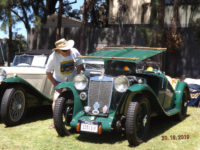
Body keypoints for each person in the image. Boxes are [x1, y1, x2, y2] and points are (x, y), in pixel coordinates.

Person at [45, 38, 83, 128]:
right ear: (58, 51)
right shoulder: (53, 57)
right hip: (59, 80)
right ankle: (56, 122)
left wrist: (77, 77)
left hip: (72, 79)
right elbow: (47, 71)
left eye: (68, 49)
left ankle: (75, 119)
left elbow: (79, 64)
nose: (67, 51)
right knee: (55, 99)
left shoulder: (74, 52)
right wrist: (55, 83)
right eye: (64, 50)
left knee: (76, 98)